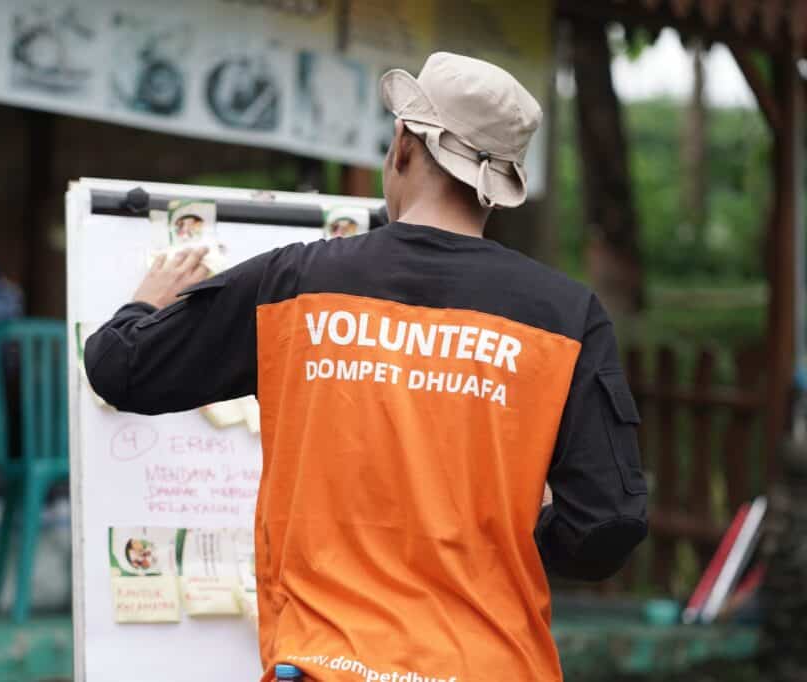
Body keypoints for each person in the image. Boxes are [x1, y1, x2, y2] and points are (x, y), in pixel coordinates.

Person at [85, 52, 648, 682]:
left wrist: (143, 304)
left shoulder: (296, 284)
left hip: (327, 665)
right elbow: (607, 529)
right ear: (500, 184)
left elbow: (119, 368)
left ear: (403, 143)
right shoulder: (566, 317)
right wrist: (517, 520)